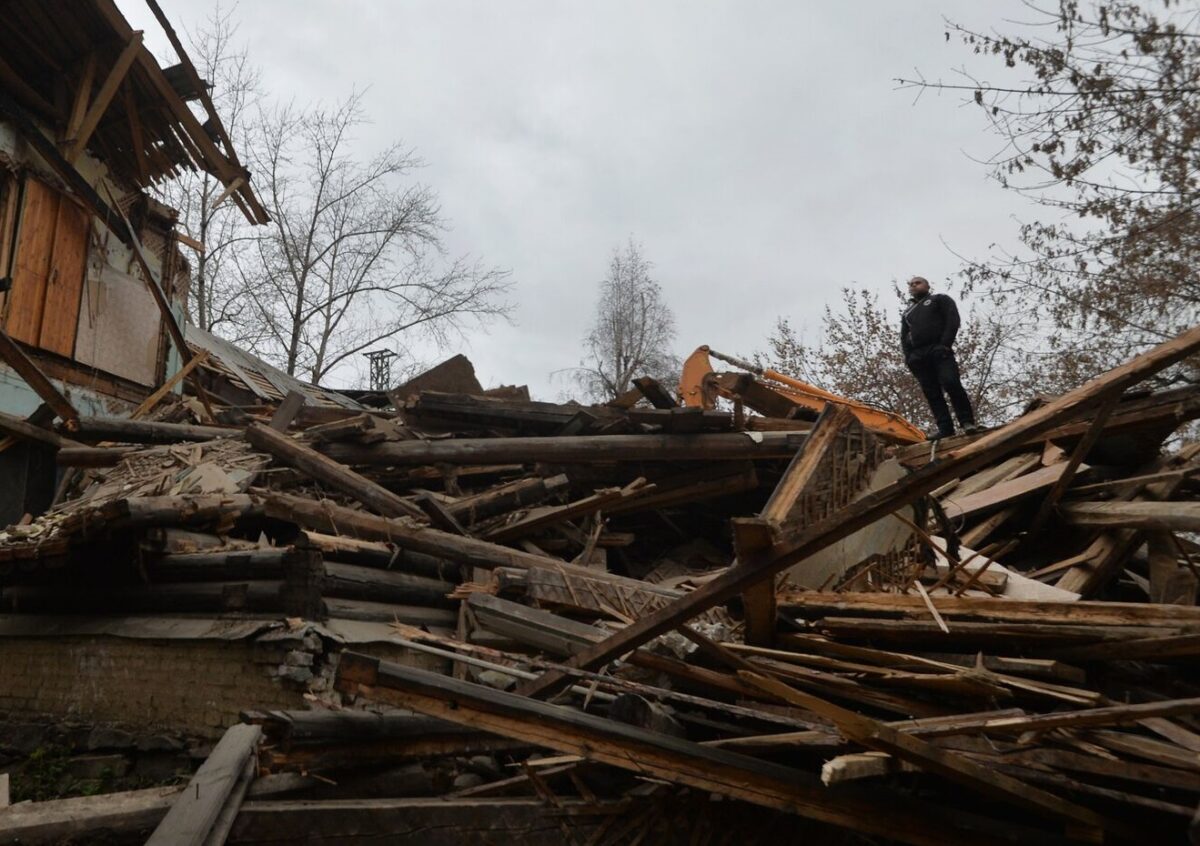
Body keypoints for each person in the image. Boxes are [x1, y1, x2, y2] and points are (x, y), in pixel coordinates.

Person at [900, 276, 978, 440]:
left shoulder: (939, 299)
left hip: (939, 350)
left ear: (927, 285)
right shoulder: (908, 312)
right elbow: (903, 336)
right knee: (932, 393)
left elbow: (952, 320)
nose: (914, 286)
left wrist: (945, 344)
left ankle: (967, 422)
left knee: (951, 382)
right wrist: (909, 358)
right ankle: (945, 428)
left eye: (918, 283)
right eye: (911, 284)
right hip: (918, 357)